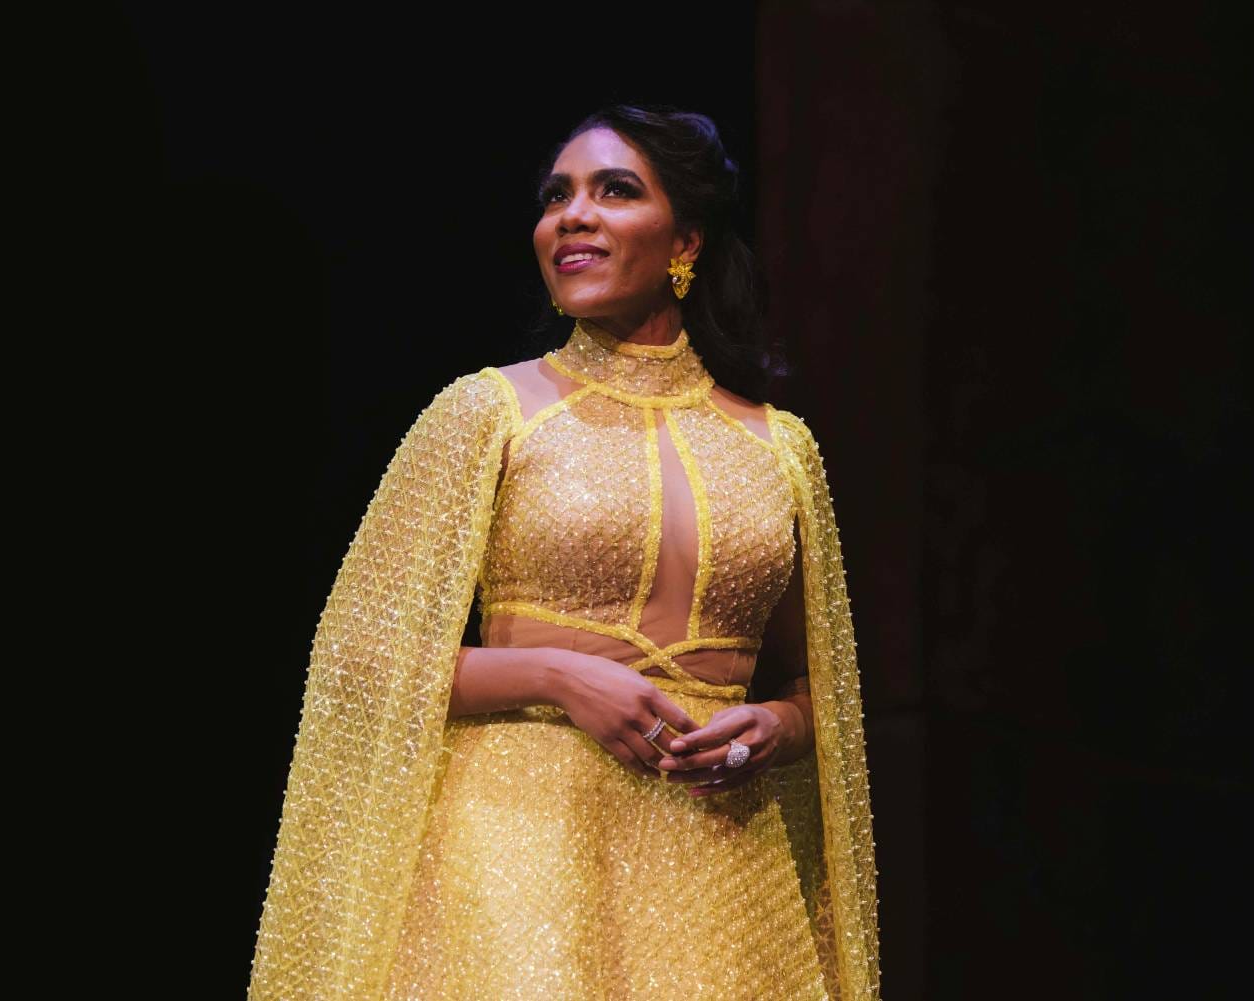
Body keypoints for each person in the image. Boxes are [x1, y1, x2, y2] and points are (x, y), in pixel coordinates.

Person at [246, 104, 881, 1000]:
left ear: (686, 239)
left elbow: (817, 686)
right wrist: (557, 677)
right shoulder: (491, 411)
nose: (571, 216)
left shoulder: (781, 448)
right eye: (556, 197)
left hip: (724, 863)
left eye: (614, 190)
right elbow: (362, 656)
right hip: (518, 848)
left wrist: (775, 729)